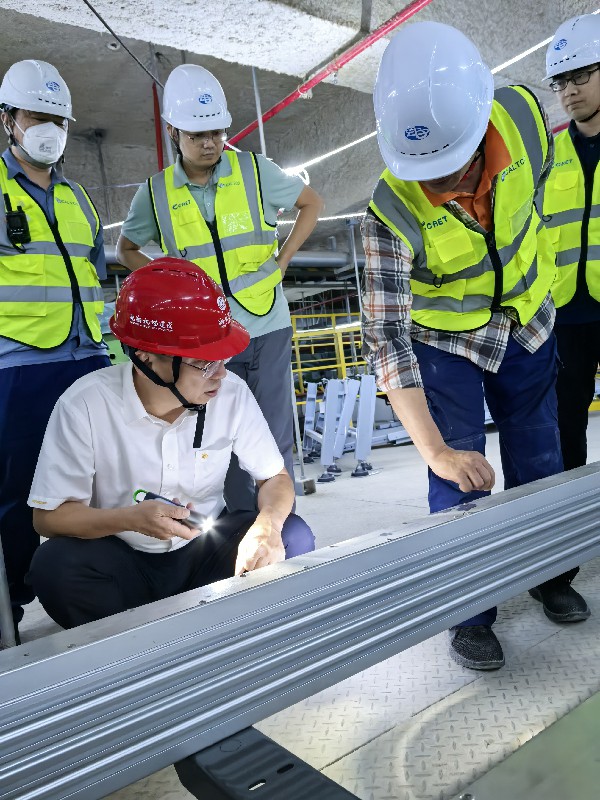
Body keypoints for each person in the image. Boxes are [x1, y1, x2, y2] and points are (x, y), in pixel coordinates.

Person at [362, 21, 590, 671]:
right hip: (444, 343)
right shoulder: (388, 209)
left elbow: (535, 202)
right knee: (457, 479)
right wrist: (435, 450)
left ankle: (550, 574)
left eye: (451, 169)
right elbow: (386, 337)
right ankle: (469, 611)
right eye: (425, 175)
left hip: (527, 322)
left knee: (541, 460)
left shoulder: (524, 119)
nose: (437, 187)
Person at [27, 258, 315, 629]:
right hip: (123, 559)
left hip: (204, 551)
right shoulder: (84, 404)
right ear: (145, 356)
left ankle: (229, 634)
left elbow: (275, 478)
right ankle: (135, 647)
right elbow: (48, 517)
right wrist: (128, 519)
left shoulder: (232, 393)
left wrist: (267, 526)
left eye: (224, 358)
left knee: (291, 535)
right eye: (204, 363)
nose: (221, 374)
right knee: (55, 566)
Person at [116, 64, 324, 513]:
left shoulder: (255, 170)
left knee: (273, 436)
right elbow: (126, 249)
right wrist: (170, 290)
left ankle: (278, 526)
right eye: (197, 135)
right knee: (218, 437)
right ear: (173, 132)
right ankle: (236, 530)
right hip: (204, 341)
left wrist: (283, 261)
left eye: (216, 132)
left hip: (266, 324)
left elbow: (311, 203)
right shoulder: (155, 194)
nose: (210, 143)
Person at [0, 60, 110, 642]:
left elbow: (94, 276)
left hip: (88, 358)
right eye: (37, 116)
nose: (50, 129)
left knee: (104, 481)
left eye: (59, 120)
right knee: (18, 496)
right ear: (8, 121)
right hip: (18, 365)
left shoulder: (78, 198)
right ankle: (10, 609)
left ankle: (106, 588)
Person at [541, 15, 600, 472]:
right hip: (565, 317)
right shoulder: (548, 156)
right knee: (564, 428)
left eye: (581, 76)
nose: (569, 91)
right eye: (560, 81)